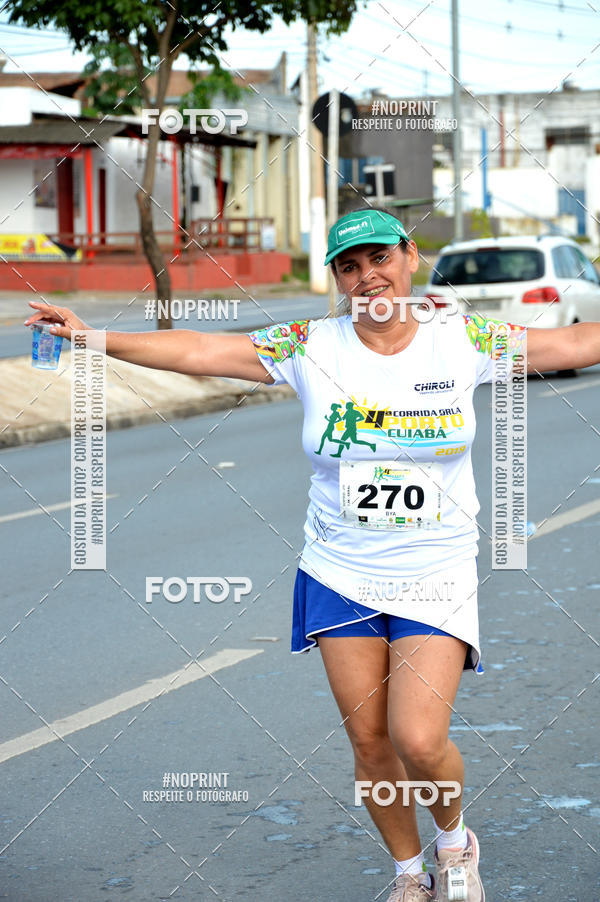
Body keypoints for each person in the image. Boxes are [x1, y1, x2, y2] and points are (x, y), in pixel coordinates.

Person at [25, 207, 600, 902]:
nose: (368, 277)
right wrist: (93, 338)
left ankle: (455, 842)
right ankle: (409, 875)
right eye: (349, 267)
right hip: (339, 569)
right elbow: (204, 352)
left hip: (434, 570)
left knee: (417, 739)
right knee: (369, 745)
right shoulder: (308, 344)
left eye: (380, 259)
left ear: (411, 258)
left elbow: (570, 343)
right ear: (336, 279)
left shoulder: (464, 339)